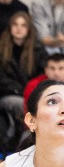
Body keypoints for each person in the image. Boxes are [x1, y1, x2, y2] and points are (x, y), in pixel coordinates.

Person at [0, 13, 43, 153]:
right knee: (23, 105)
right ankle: (24, 146)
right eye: (15, 24)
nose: (19, 28)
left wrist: (31, 91)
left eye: (23, 25)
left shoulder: (37, 50)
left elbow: (42, 76)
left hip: (31, 95)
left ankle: (27, 142)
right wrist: (20, 90)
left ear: (29, 29)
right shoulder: (1, 49)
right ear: (10, 27)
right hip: (7, 95)